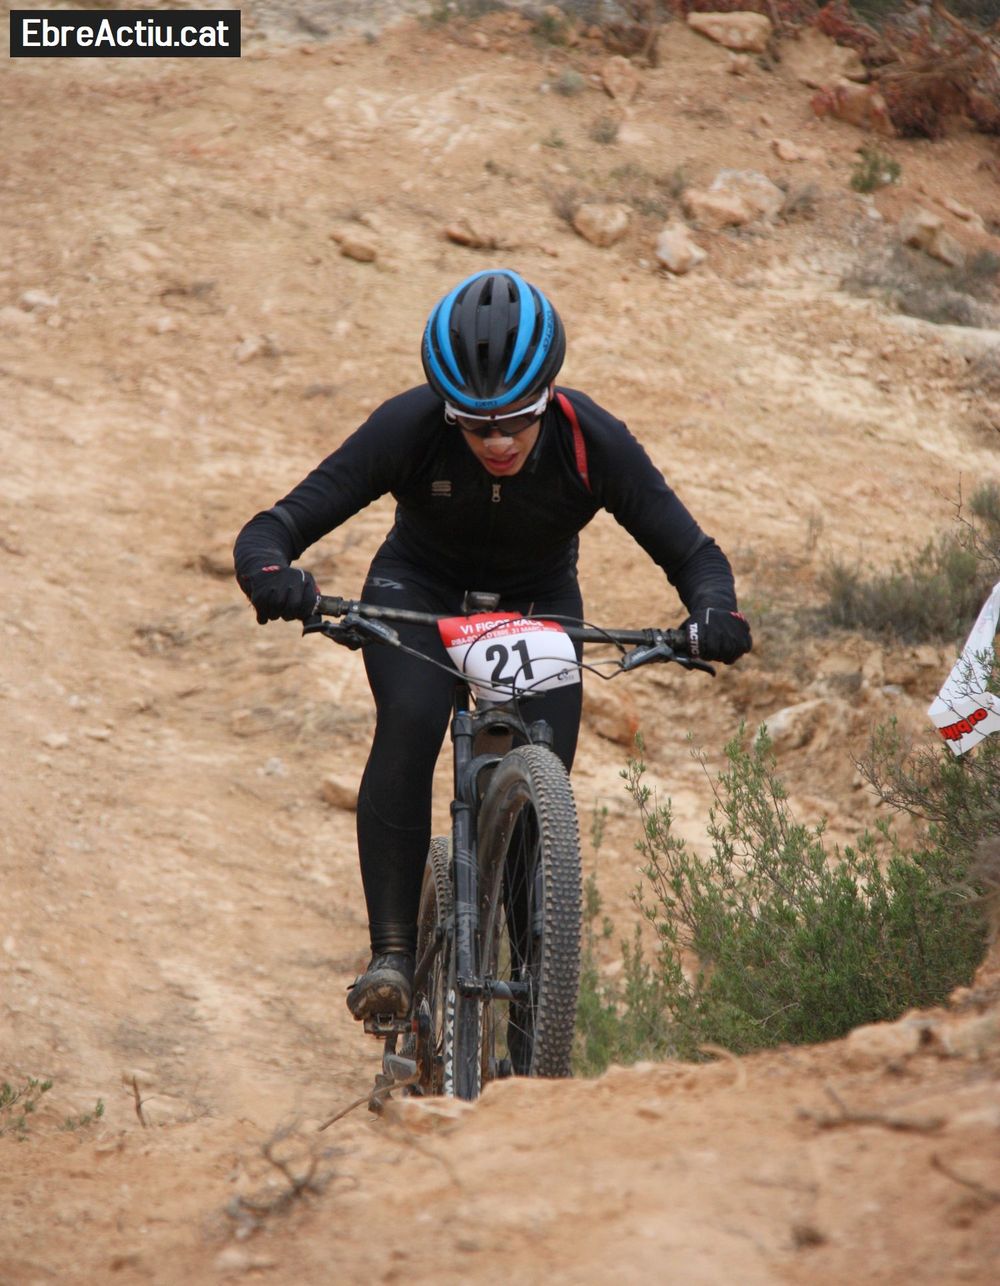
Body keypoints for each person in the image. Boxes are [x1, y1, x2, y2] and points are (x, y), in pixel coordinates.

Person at [234, 268, 751, 1021]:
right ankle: (392, 958)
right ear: (448, 412)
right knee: (411, 721)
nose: (498, 440)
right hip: (418, 591)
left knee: (540, 775)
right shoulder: (411, 426)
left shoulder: (592, 440)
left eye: (517, 420)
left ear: (548, 396)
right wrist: (271, 573)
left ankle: (534, 1010)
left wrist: (714, 610)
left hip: (537, 602)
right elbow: (275, 526)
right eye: (476, 427)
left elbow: (694, 554)